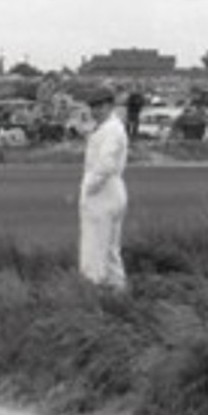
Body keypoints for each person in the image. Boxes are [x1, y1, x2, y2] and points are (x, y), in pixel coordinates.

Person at [79, 87, 129, 289]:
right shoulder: (108, 127)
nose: (95, 110)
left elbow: (106, 164)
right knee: (109, 249)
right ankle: (117, 291)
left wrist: (88, 187)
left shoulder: (112, 129)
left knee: (95, 248)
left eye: (99, 106)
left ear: (110, 106)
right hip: (111, 189)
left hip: (105, 191)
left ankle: (94, 292)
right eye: (93, 106)